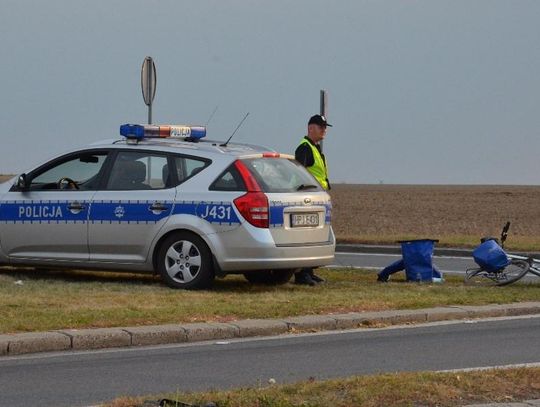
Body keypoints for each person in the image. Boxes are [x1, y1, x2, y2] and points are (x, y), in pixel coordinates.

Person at [294, 114, 332, 286]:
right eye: (320, 126)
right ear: (310, 128)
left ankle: (309, 271)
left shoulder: (315, 148)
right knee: (305, 236)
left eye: (325, 127)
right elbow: (299, 175)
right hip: (307, 199)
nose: (324, 130)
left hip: (317, 198)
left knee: (313, 236)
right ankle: (302, 275)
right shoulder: (304, 148)